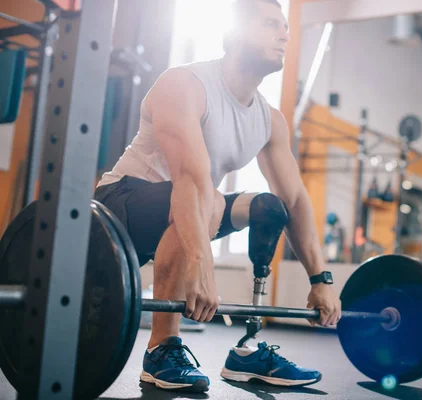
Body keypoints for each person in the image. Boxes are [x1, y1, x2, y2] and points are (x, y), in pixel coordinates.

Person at [94, 0, 341, 392]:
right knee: (208, 196)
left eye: (285, 27)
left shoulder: (268, 120)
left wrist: (321, 279)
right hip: (115, 209)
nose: (283, 33)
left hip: (192, 207)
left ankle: (249, 347)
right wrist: (201, 261)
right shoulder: (185, 84)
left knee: (268, 207)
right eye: (269, 24)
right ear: (235, 34)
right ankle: (162, 348)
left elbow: (295, 201)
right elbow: (191, 179)